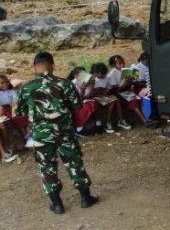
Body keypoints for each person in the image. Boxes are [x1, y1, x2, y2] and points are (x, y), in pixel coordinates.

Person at [14, 52, 99, 214]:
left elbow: (19, 112)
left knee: (47, 167)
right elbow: (77, 106)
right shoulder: (65, 84)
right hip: (64, 133)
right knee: (74, 162)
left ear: (34, 68)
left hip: (41, 135)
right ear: (53, 65)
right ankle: (85, 198)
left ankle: (57, 204)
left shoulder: (26, 88)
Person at [0, 73, 27, 162]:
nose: (4, 84)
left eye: (5, 82)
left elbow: (16, 99)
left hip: (12, 109)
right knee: (5, 123)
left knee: (20, 118)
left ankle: (26, 137)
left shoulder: (12, 91)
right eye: (1, 83)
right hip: (4, 111)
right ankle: (10, 145)